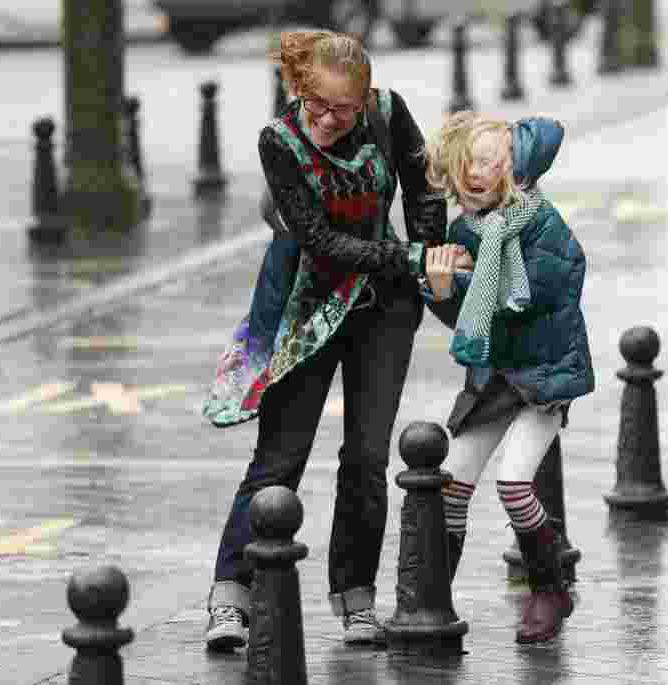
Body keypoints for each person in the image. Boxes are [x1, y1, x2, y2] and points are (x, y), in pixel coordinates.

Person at [202, 29, 461, 651]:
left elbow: (424, 187)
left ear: (364, 99)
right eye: (316, 104)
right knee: (280, 458)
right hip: (305, 305)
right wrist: (410, 255)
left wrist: (432, 254)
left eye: (343, 110)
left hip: (384, 312)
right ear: (299, 89)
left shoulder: (389, 113)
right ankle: (231, 598)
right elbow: (320, 240)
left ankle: (356, 599)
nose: (327, 120)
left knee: (368, 461)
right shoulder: (279, 141)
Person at [420, 111, 595, 644]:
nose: (476, 173)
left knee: (514, 482)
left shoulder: (541, 222)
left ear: (513, 171)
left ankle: (549, 588)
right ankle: (430, 598)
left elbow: (538, 294)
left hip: (543, 377)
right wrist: (443, 289)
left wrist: (473, 281)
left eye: (490, 163)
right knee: (450, 485)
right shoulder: (463, 231)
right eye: (467, 162)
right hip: (494, 376)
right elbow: (464, 320)